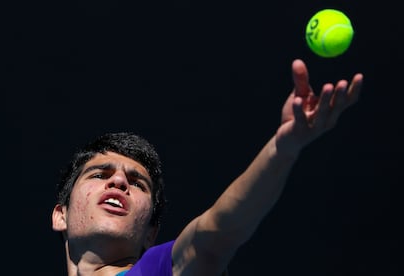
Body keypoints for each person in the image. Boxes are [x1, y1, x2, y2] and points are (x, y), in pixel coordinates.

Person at [51, 58, 364, 276]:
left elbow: (216, 234)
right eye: (99, 174)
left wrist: (284, 147)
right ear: (60, 214)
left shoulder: (159, 270)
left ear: (151, 234)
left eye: (137, 183)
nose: (119, 181)